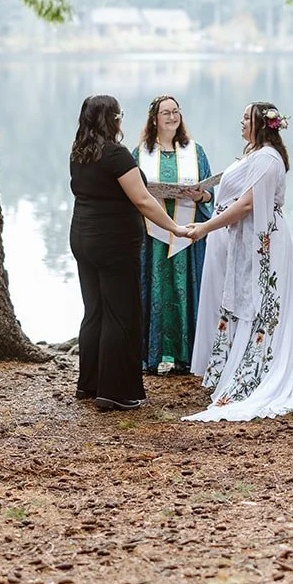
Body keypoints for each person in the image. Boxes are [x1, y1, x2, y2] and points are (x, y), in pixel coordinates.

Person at [180, 102, 293, 422]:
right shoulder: (253, 154)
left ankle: (257, 371)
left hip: (263, 244)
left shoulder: (267, 159)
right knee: (240, 302)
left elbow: (248, 204)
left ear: (261, 124)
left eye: (246, 117)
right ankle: (231, 365)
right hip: (241, 241)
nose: (241, 121)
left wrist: (206, 227)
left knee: (259, 302)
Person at [70, 95, 188, 411]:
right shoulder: (116, 154)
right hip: (113, 243)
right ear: (112, 119)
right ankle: (115, 392)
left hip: (82, 238)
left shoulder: (79, 153)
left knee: (94, 310)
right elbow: (144, 200)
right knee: (120, 314)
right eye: (119, 115)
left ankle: (90, 384)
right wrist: (174, 228)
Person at [133, 95, 213, 376]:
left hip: (186, 233)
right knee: (154, 289)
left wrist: (201, 195)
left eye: (176, 111)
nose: (172, 117)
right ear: (154, 119)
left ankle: (187, 356)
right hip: (152, 235)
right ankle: (151, 356)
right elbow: (132, 192)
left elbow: (209, 195)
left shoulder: (195, 151)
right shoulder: (140, 153)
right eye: (166, 112)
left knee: (185, 289)